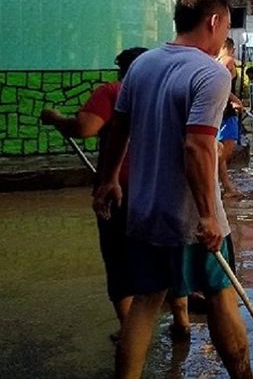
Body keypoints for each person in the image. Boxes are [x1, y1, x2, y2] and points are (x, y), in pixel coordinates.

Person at [93, 0, 252, 378]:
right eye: (226, 27)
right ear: (213, 22)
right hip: (188, 219)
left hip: (143, 210)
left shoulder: (142, 65)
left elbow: (118, 130)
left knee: (146, 301)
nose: (224, 37)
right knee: (219, 296)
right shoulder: (211, 74)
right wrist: (208, 215)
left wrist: (109, 179)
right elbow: (198, 147)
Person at [40, 47, 191, 342]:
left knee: (120, 260)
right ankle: (181, 319)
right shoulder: (171, 93)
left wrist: (56, 118)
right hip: (164, 188)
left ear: (122, 70)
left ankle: (129, 329)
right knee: (166, 254)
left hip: (121, 188)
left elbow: (84, 128)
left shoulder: (113, 91)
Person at [217, 38, 243, 198]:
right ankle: (211, 186)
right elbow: (220, 85)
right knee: (224, 154)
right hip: (227, 113)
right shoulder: (227, 60)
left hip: (219, 111)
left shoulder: (215, 61)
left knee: (219, 153)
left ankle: (227, 188)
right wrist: (235, 100)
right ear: (230, 48)